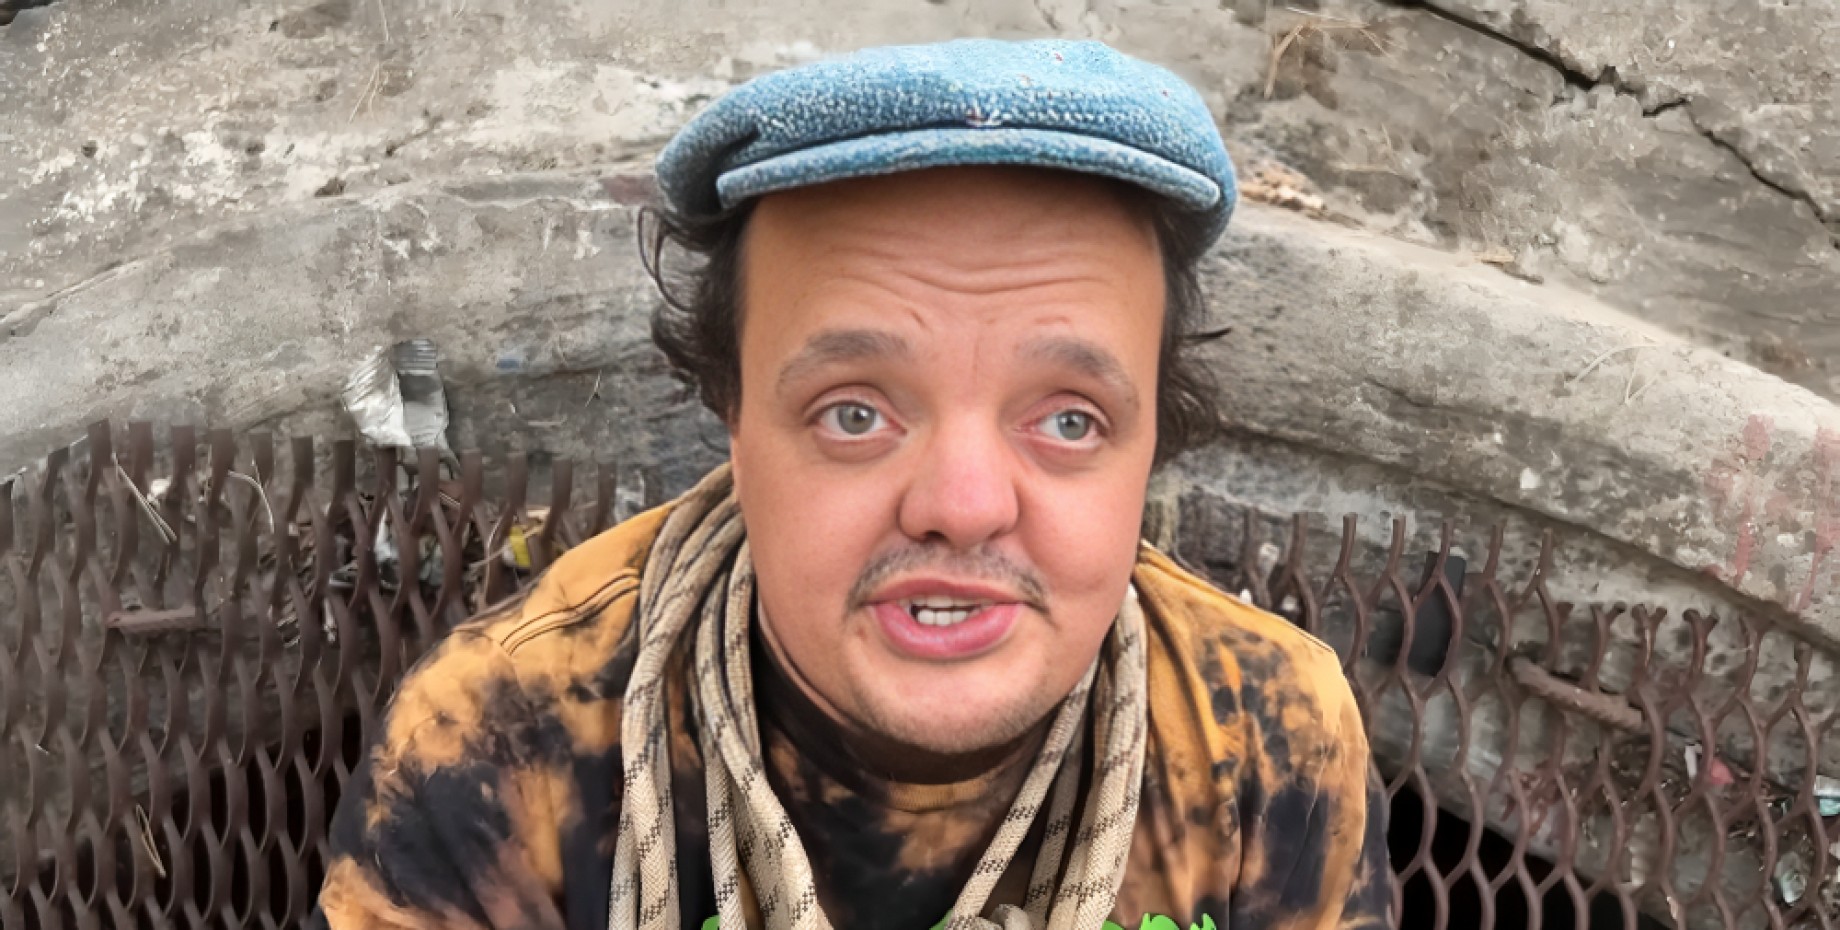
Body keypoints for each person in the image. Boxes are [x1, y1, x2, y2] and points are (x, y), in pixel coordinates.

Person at [311, 38, 1392, 930]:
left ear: (1150, 442)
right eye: (856, 413)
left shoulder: (1270, 736)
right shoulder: (501, 737)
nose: (962, 506)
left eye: (1068, 420)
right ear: (735, 420)